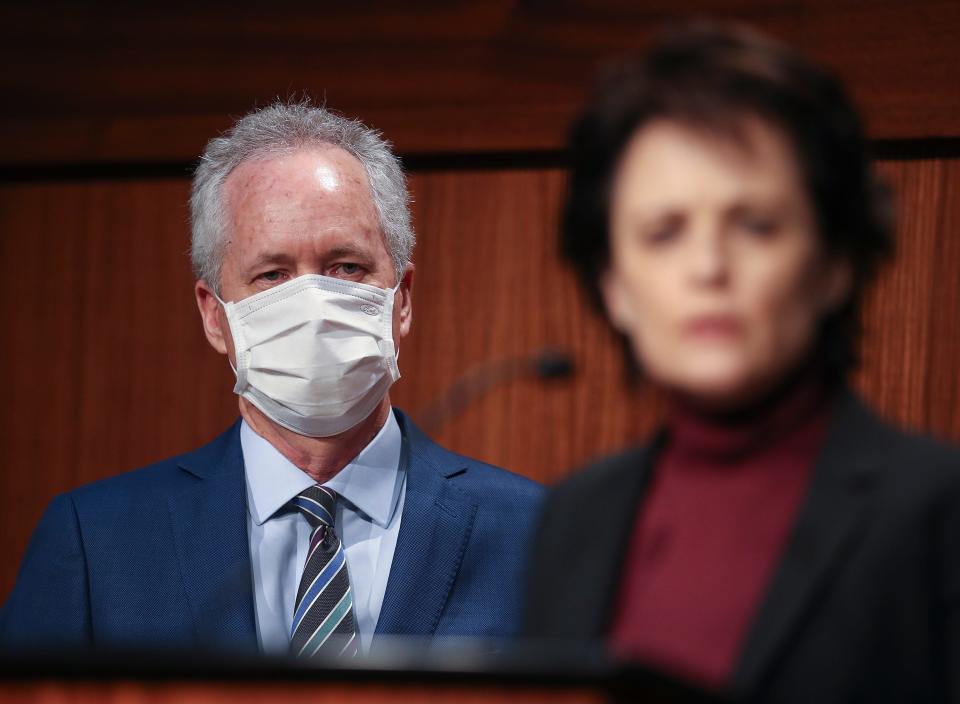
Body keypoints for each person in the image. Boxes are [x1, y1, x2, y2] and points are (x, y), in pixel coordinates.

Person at [2, 101, 542, 657]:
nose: (312, 304)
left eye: (346, 267)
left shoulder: (539, 536)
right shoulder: (98, 542)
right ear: (215, 316)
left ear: (401, 299)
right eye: (272, 274)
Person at [522, 24, 960, 703]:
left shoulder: (939, 510)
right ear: (614, 285)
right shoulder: (571, 518)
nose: (708, 267)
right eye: (664, 233)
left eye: (755, 225)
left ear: (834, 264)